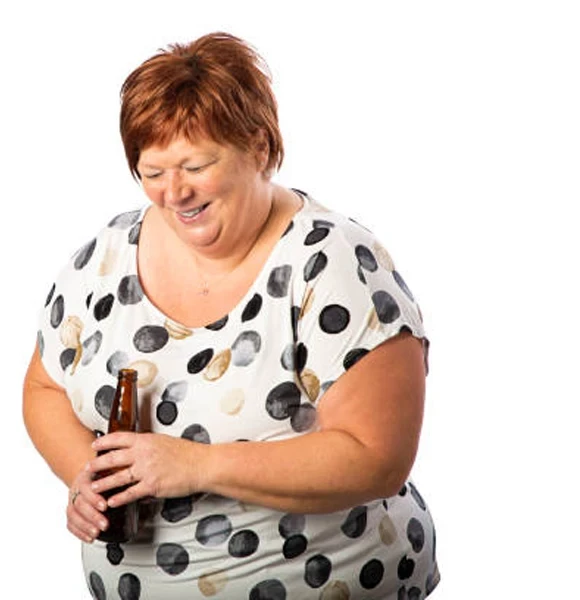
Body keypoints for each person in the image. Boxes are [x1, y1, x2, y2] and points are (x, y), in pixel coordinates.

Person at [23, 31, 440, 600]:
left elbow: (376, 458)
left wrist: (196, 465)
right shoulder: (107, 253)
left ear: (261, 149)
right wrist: (84, 477)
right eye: (153, 171)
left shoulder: (331, 262)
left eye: (196, 165)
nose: (174, 193)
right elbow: (45, 387)